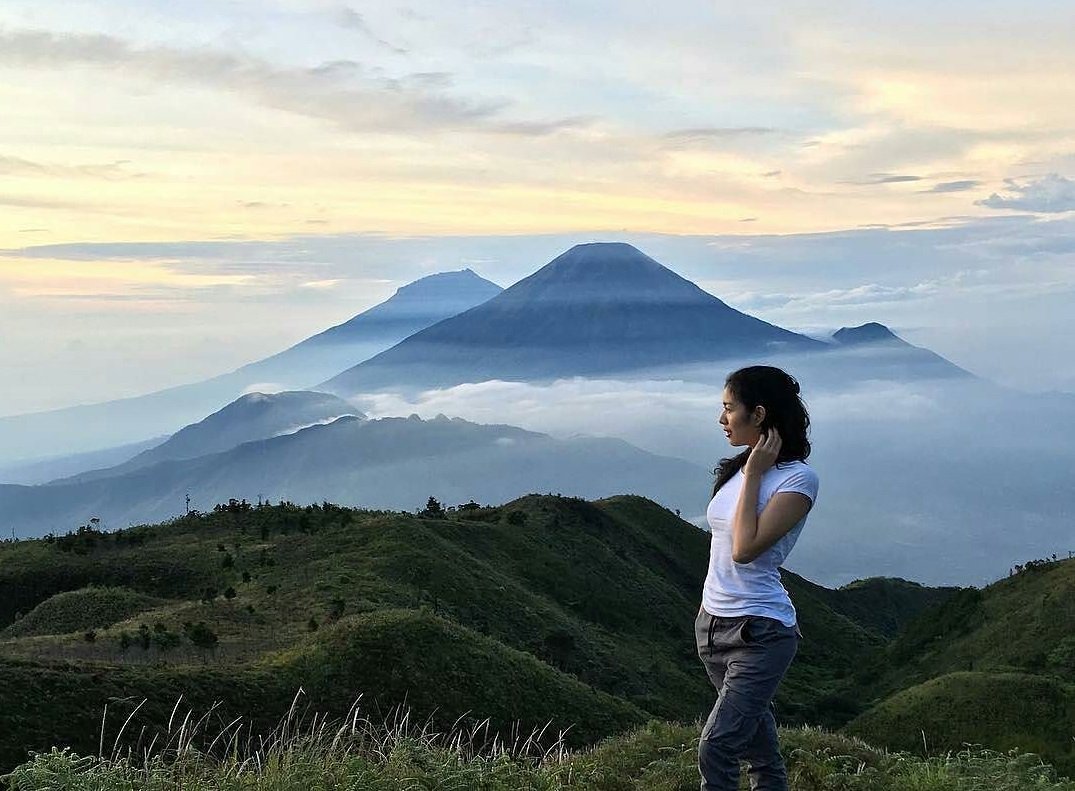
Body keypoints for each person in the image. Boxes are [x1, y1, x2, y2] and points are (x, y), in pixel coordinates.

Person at [695, 365, 819, 791]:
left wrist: (753, 474)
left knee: (717, 746)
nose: (721, 418)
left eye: (729, 409)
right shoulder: (737, 468)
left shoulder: (798, 480)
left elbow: (745, 549)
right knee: (760, 753)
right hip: (711, 625)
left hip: (760, 632)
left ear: (759, 413)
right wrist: (748, 470)